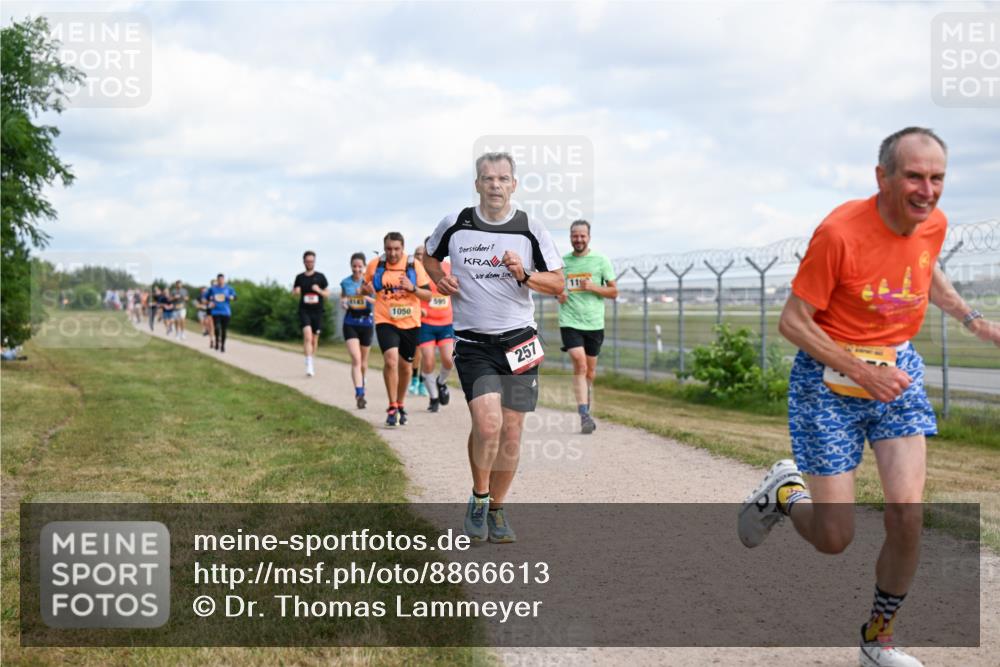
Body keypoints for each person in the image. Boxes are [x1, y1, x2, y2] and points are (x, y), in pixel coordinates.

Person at [737, 127, 1000, 667]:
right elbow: (792, 321)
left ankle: (877, 640)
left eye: (937, 178)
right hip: (827, 381)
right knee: (835, 537)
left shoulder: (934, 223)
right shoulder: (839, 233)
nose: (927, 190)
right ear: (882, 177)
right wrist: (860, 370)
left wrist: (973, 319)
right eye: (914, 176)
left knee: (908, 514)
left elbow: (926, 273)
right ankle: (786, 492)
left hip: (896, 372)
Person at [424, 151, 563, 544]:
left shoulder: (529, 227)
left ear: (514, 185)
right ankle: (479, 497)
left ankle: (498, 510)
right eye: (489, 179)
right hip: (473, 342)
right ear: (477, 184)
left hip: (520, 342)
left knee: (512, 432)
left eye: (503, 179)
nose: (496, 185)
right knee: (488, 425)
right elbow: (430, 258)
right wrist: (439, 280)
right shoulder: (456, 224)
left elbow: (558, 284)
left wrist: (526, 273)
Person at [555, 219, 618, 434]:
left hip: (594, 323)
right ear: (570, 237)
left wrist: (593, 287)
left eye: (582, 235)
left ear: (588, 237)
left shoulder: (601, 261)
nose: (578, 239)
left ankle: (586, 394)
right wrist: (558, 293)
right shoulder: (563, 263)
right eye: (575, 235)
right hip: (569, 321)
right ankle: (584, 415)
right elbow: (554, 285)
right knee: (579, 364)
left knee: (589, 371)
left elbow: (614, 292)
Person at [363, 233, 432, 426]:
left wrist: (412, 288)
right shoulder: (376, 265)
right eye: (389, 249)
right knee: (391, 360)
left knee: (405, 367)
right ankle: (392, 405)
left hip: (410, 322)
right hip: (385, 319)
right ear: (384, 248)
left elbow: (428, 295)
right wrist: (365, 290)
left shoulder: (413, 266)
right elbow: (363, 287)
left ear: (403, 248)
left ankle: (401, 404)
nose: (392, 253)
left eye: (396, 249)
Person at [418, 236, 456, 413]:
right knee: (428, 361)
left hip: (446, 322)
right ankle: (433, 397)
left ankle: (441, 382)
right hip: (425, 324)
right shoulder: (419, 270)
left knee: (449, 360)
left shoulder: (449, 268)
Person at [341, 252, 375, 409]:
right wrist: (344, 303)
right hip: (350, 322)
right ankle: (359, 393)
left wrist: (366, 297)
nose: (357, 269)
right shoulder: (345, 283)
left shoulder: (369, 283)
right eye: (354, 266)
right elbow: (343, 298)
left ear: (364, 267)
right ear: (351, 266)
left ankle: (362, 379)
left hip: (366, 323)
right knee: (356, 358)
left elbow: (379, 300)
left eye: (360, 266)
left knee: (363, 362)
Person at [292, 250, 330, 377]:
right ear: (304, 262)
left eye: (312, 261)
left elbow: (327, 295)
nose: (309, 263)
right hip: (304, 310)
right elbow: (294, 292)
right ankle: (309, 363)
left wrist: (318, 290)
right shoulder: (300, 277)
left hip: (318, 312)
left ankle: (310, 358)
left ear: (314, 262)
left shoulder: (320, 277)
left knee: (314, 340)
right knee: (307, 336)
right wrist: (296, 291)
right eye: (307, 261)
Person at [408, 245, 429, 398]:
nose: (420, 257)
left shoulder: (431, 273)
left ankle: (421, 381)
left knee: (424, 352)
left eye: (422, 254)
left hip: (431, 318)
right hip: (414, 316)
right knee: (417, 352)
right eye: (417, 254)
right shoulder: (411, 273)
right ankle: (415, 379)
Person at [205, 274, 237, 352]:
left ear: (224, 280)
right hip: (216, 311)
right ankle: (216, 342)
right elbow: (206, 297)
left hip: (226, 312)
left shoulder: (229, 288)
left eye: (222, 279)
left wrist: (231, 297)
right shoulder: (212, 289)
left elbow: (235, 297)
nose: (221, 281)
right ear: (217, 280)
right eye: (219, 279)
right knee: (217, 327)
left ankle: (222, 345)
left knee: (224, 329)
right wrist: (210, 301)